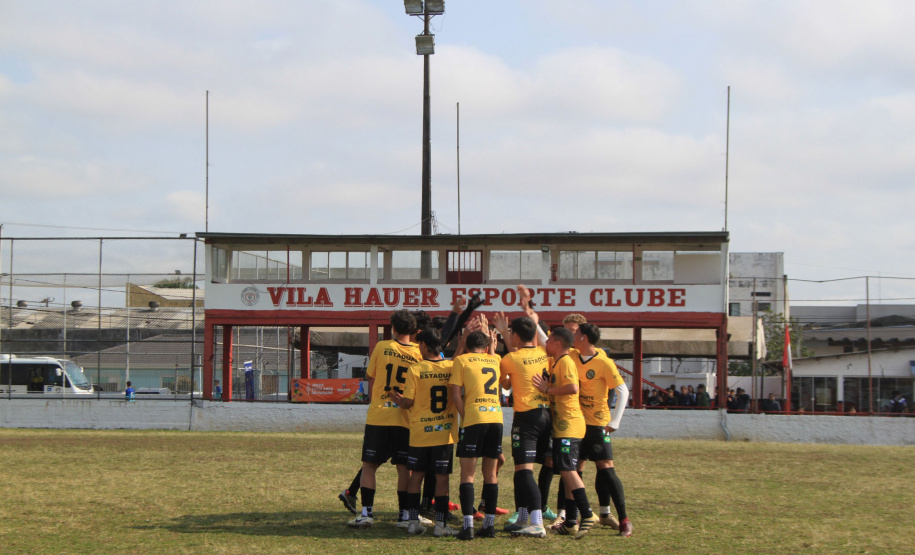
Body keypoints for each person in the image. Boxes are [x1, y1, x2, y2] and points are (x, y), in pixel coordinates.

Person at [347, 310, 424, 529]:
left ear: (393, 328)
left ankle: (366, 514)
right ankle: (403, 515)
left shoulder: (382, 347)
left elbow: (369, 375)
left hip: (380, 415)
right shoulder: (419, 352)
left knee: (369, 466)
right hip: (405, 418)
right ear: (413, 330)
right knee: (404, 469)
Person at [388, 328, 457, 537]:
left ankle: (412, 522)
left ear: (425, 345)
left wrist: (398, 400)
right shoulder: (451, 367)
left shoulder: (415, 369)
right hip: (444, 433)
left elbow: (408, 402)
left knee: (416, 476)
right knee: (442, 479)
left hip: (419, 433)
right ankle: (441, 525)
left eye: (420, 344)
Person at [531, 327, 599, 539]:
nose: (546, 343)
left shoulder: (567, 362)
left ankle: (586, 513)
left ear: (558, 344)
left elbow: (572, 388)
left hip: (570, 424)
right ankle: (570, 522)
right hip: (563, 425)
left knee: (568, 470)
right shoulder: (558, 362)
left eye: (549, 340)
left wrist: (547, 390)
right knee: (567, 470)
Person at [570, 323, 633, 537]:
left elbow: (623, 390)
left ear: (584, 338)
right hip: (576, 423)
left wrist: (616, 420)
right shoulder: (571, 355)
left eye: (576, 333)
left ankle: (623, 519)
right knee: (574, 471)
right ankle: (574, 517)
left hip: (598, 424)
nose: (573, 335)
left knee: (605, 469)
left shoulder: (604, 363)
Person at [494, 315, 553, 538]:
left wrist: (499, 337)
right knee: (520, 470)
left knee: (525, 471)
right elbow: (519, 362)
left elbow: (506, 379)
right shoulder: (542, 353)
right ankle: (522, 516)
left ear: (516, 335)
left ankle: (537, 522)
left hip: (526, 418)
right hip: (546, 414)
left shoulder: (510, 359)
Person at [449, 328, 504, 540]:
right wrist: (492, 345)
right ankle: (489, 525)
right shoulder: (495, 359)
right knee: (490, 475)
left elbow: (455, 394)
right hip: (496, 418)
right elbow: (493, 354)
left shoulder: (461, 361)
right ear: (487, 346)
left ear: (467, 346)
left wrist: (466, 417)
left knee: (468, 475)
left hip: (474, 419)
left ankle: (468, 526)